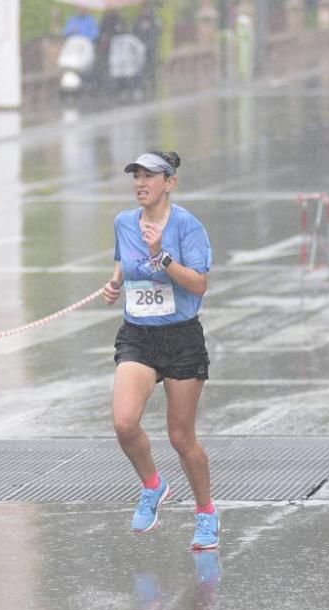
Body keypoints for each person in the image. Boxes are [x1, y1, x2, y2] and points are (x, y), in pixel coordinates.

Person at [101, 151, 219, 551]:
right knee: (123, 422)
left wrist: (162, 256)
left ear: (169, 183)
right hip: (138, 335)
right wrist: (115, 283)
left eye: (149, 176)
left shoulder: (187, 226)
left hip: (182, 337)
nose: (140, 182)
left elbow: (199, 285)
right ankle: (153, 485)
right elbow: (123, 260)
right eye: (136, 175)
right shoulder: (123, 222)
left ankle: (206, 513)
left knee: (181, 438)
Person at [133, 3, 162, 93]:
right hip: (141, 47)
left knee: (151, 66)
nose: (144, 12)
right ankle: (143, 84)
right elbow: (135, 31)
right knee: (143, 66)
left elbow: (158, 31)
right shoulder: (138, 20)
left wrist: (150, 29)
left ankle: (153, 84)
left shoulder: (154, 19)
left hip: (151, 46)